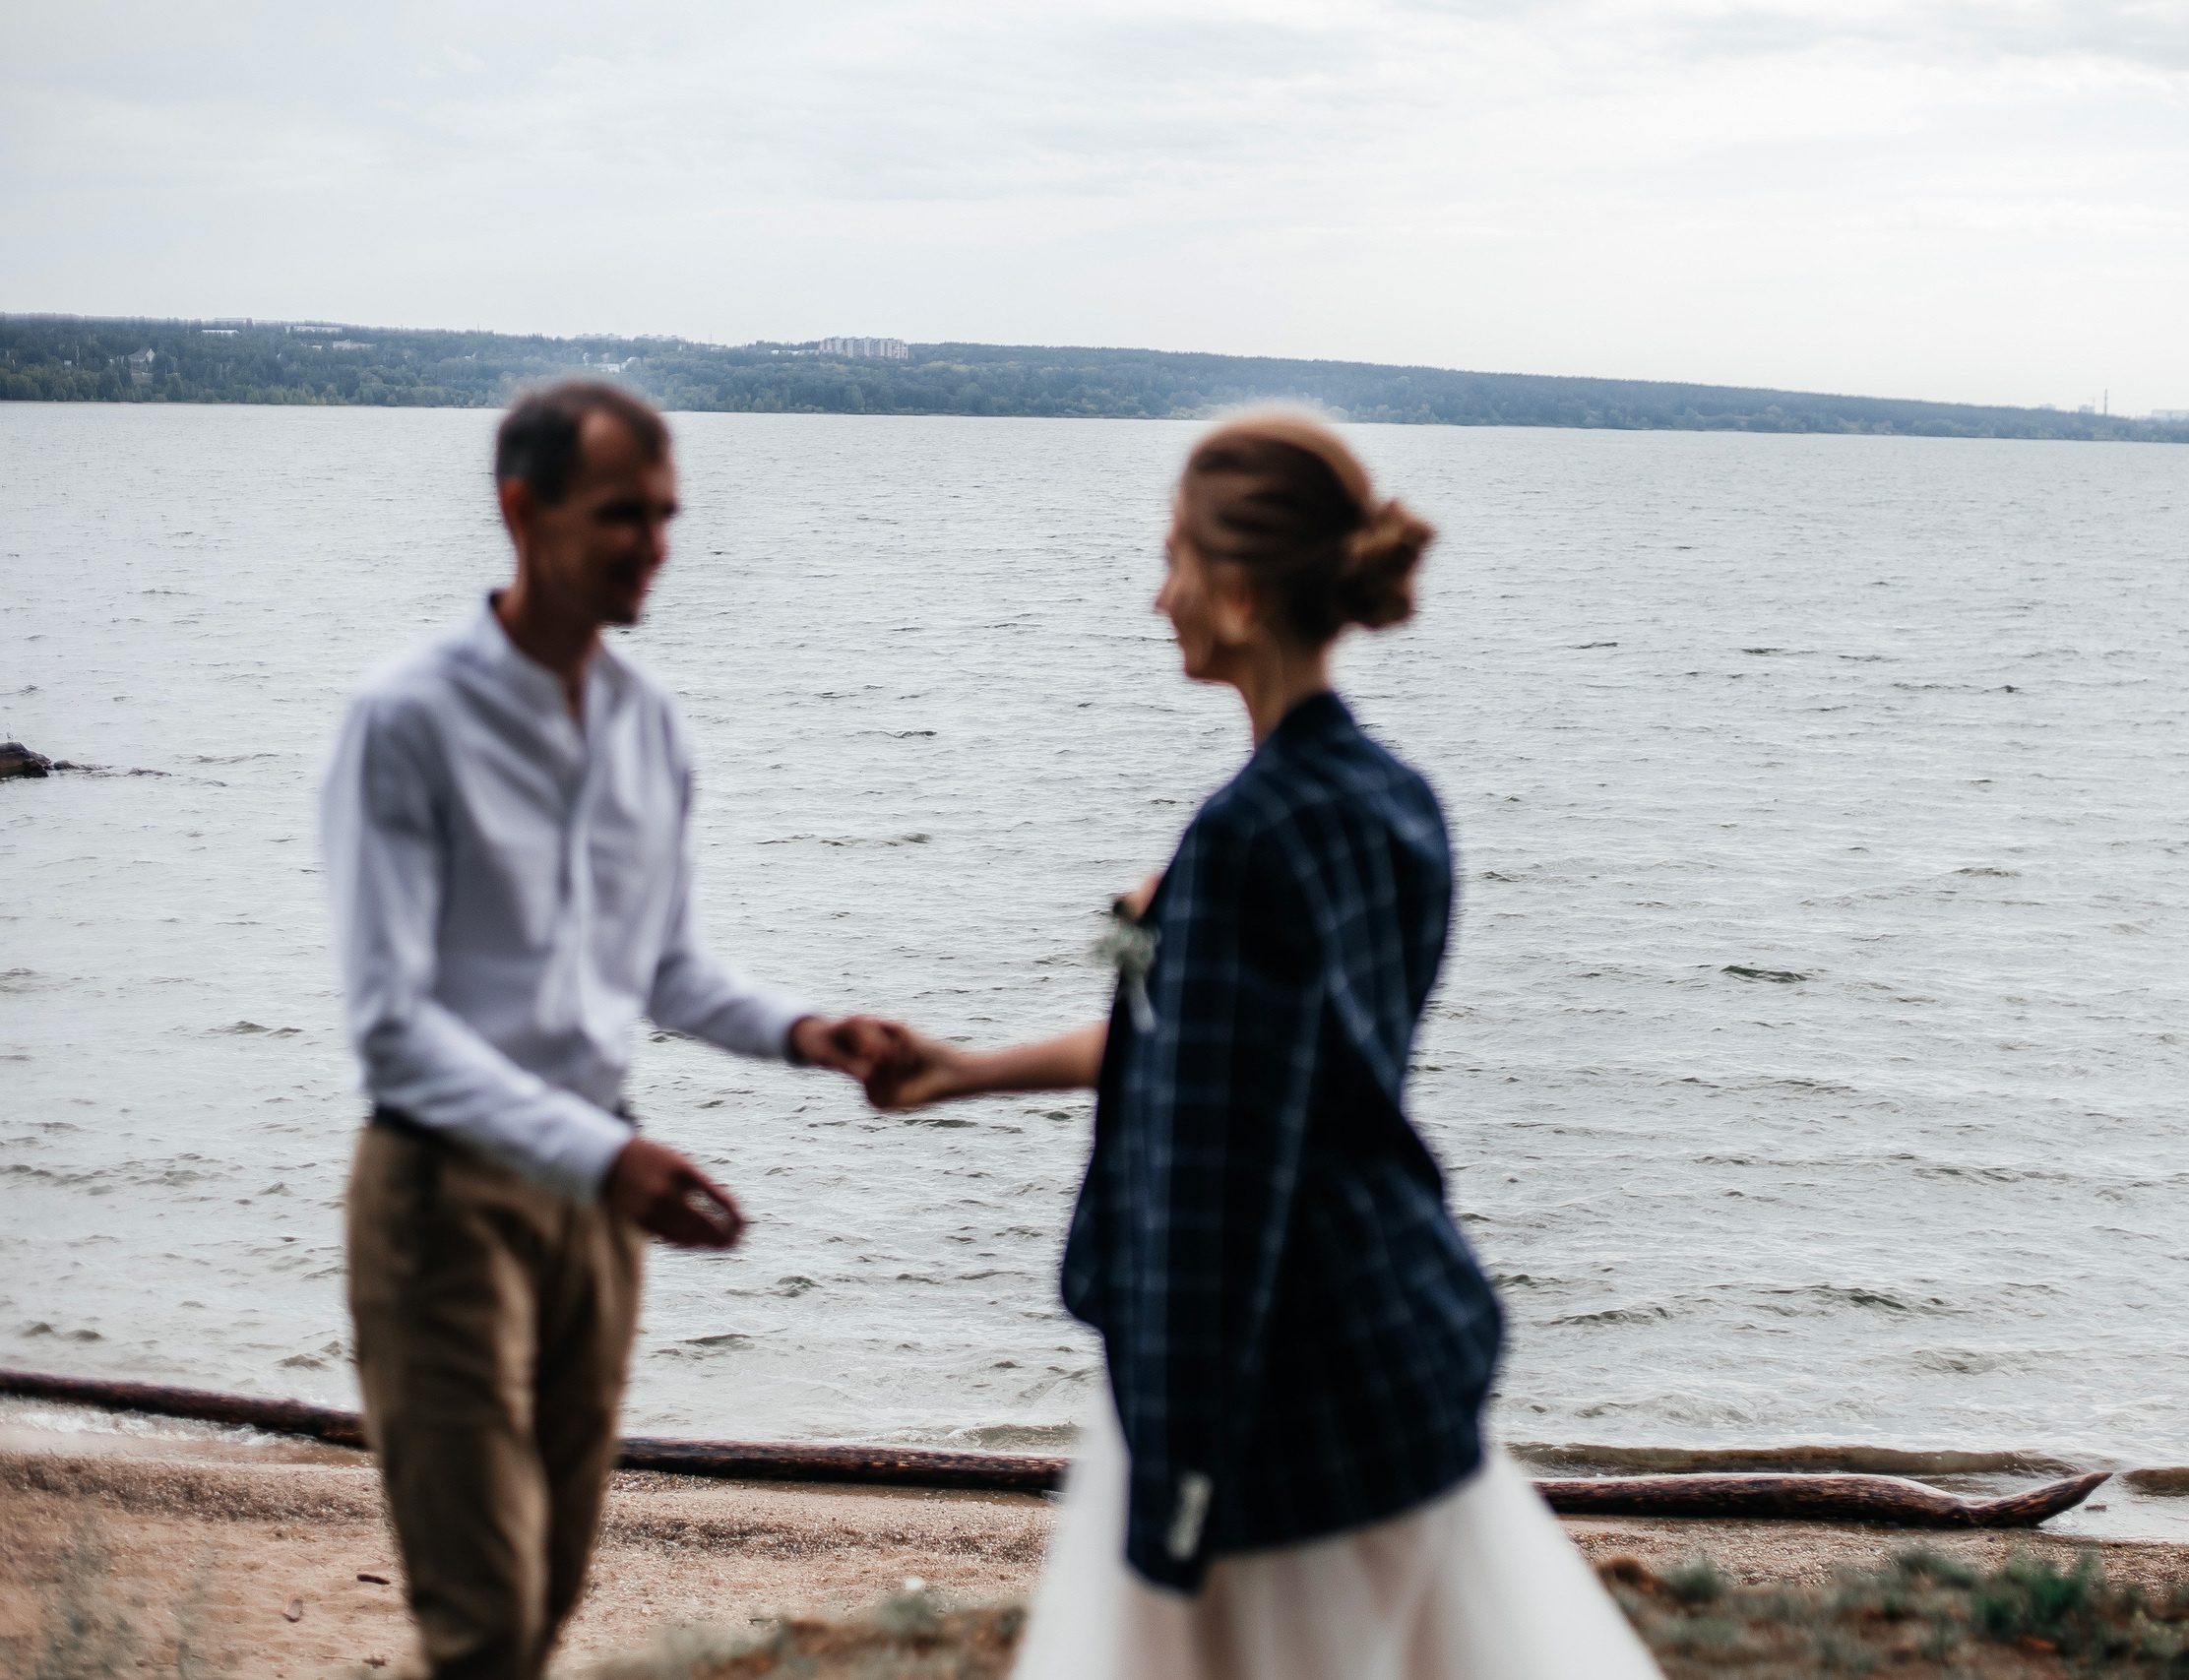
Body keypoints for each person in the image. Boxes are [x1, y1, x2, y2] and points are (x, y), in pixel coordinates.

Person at [855, 416, 1660, 1679]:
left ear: (1235, 590)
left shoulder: (1242, 841)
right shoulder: (1393, 801)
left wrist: (1175, 1480)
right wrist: (964, 1069)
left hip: (1264, 1389)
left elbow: (1212, 1191)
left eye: (1171, 557)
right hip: (1396, 1332)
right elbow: (1245, 1065)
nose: (1155, 592)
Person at [320, 382, 879, 1680]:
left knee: (547, 1596)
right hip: (441, 1197)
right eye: (623, 514)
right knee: (485, 1616)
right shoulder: (407, 719)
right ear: (522, 510)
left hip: (595, 1208)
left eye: (667, 516)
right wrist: (605, 1156)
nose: (656, 545)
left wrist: (806, 1030)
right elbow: (392, 1027)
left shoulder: (650, 727)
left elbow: (665, 967)